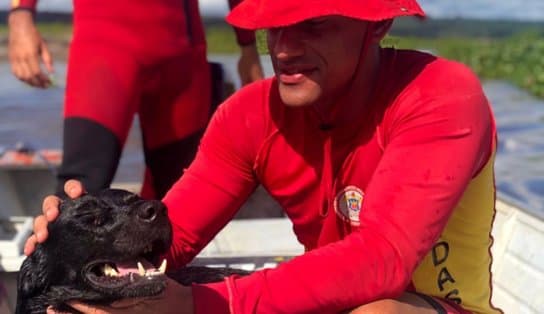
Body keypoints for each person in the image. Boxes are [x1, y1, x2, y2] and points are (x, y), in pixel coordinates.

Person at [25, 0, 503, 313]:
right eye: (274, 27)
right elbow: (171, 236)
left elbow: (381, 261)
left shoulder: (440, 96)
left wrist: (201, 305)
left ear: (376, 23)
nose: (285, 50)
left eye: (311, 26)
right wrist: (78, 239)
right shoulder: (249, 116)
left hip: (433, 305)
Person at [7, 0, 264, 199]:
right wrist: (21, 16)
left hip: (184, 60)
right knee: (79, 190)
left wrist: (249, 48)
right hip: (106, 48)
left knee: (181, 196)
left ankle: (154, 265)